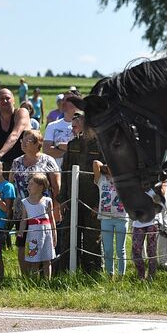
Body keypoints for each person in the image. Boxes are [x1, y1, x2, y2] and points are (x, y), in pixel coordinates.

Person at [57, 111, 103, 274]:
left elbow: (107, 177)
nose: (75, 121)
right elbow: (65, 173)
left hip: (93, 201)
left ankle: (92, 273)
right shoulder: (72, 145)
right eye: (74, 118)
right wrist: (62, 198)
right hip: (72, 200)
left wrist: (100, 204)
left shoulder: (101, 145)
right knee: (69, 237)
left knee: (92, 239)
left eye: (80, 118)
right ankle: (66, 272)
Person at [9, 129, 60, 276]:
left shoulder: (48, 160)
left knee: (42, 243)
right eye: (22, 140)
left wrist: (56, 206)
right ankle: (26, 277)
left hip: (42, 212)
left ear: (38, 144)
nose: (23, 143)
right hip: (21, 209)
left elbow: (56, 186)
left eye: (28, 141)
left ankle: (41, 277)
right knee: (21, 243)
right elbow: (11, 183)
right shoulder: (16, 162)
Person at [94, 159, 129, 276]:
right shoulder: (101, 180)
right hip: (105, 218)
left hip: (121, 218)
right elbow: (95, 163)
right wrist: (106, 166)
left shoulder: (125, 180)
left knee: (120, 249)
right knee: (108, 250)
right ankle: (110, 274)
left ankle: (121, 275)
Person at [19, 173, 55, 279]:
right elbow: (23, 220)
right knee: (34, 260)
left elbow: (51, 219)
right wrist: (20, 233)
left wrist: (54, 234)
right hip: (33, 233)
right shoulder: (25, 202)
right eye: (28, 184)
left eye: (32, 184)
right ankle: (34, 282)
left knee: (46, 260)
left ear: (41, 187)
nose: (28, 186)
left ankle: (47, 282)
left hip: (46, 232)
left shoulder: (47, 201)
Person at [0, 85, 31, 167]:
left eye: (7, 98)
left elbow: (15, 135)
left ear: (14, 101)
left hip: (25, 163)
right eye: (1, 99)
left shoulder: (22, 113)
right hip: (3, 163)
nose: (5, 101)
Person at [131, 182, 165, 280]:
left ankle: (151, 276)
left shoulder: (156, 179)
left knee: (151, 250)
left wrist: (156, 195)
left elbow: (162, 193)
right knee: (136, 250)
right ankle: (141, 275)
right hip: (138, 221)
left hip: (153, 221)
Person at [43, 93, 81, 161]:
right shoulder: (52, 126)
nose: (62, 102)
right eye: (63, 99)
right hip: (56, 170)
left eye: (68, 100)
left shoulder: (85, 127)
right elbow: (46, 151)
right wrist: (72, 152)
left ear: (77, 104)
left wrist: (59, 147)